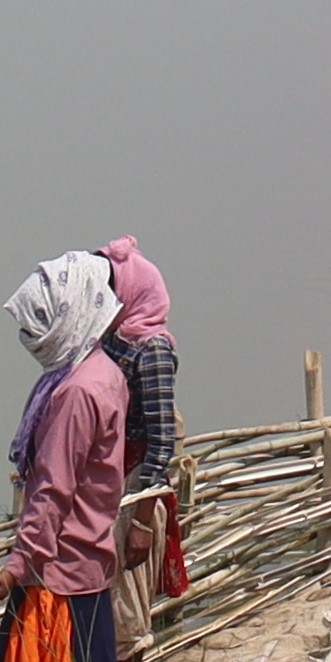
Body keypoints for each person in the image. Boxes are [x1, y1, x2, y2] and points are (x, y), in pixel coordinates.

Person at [0, 251, 130, 662]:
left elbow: (52, 491)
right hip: (89, 568)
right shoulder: (105, 373)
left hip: (55, 580)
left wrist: (18, 564)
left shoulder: (73, 394)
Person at [101, 234, 185, 605]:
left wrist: (141, 520)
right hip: (112, 473)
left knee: (126, 604)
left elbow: (161, 440)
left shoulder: (152, 350)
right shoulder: (114, 336)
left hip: (134, 483)